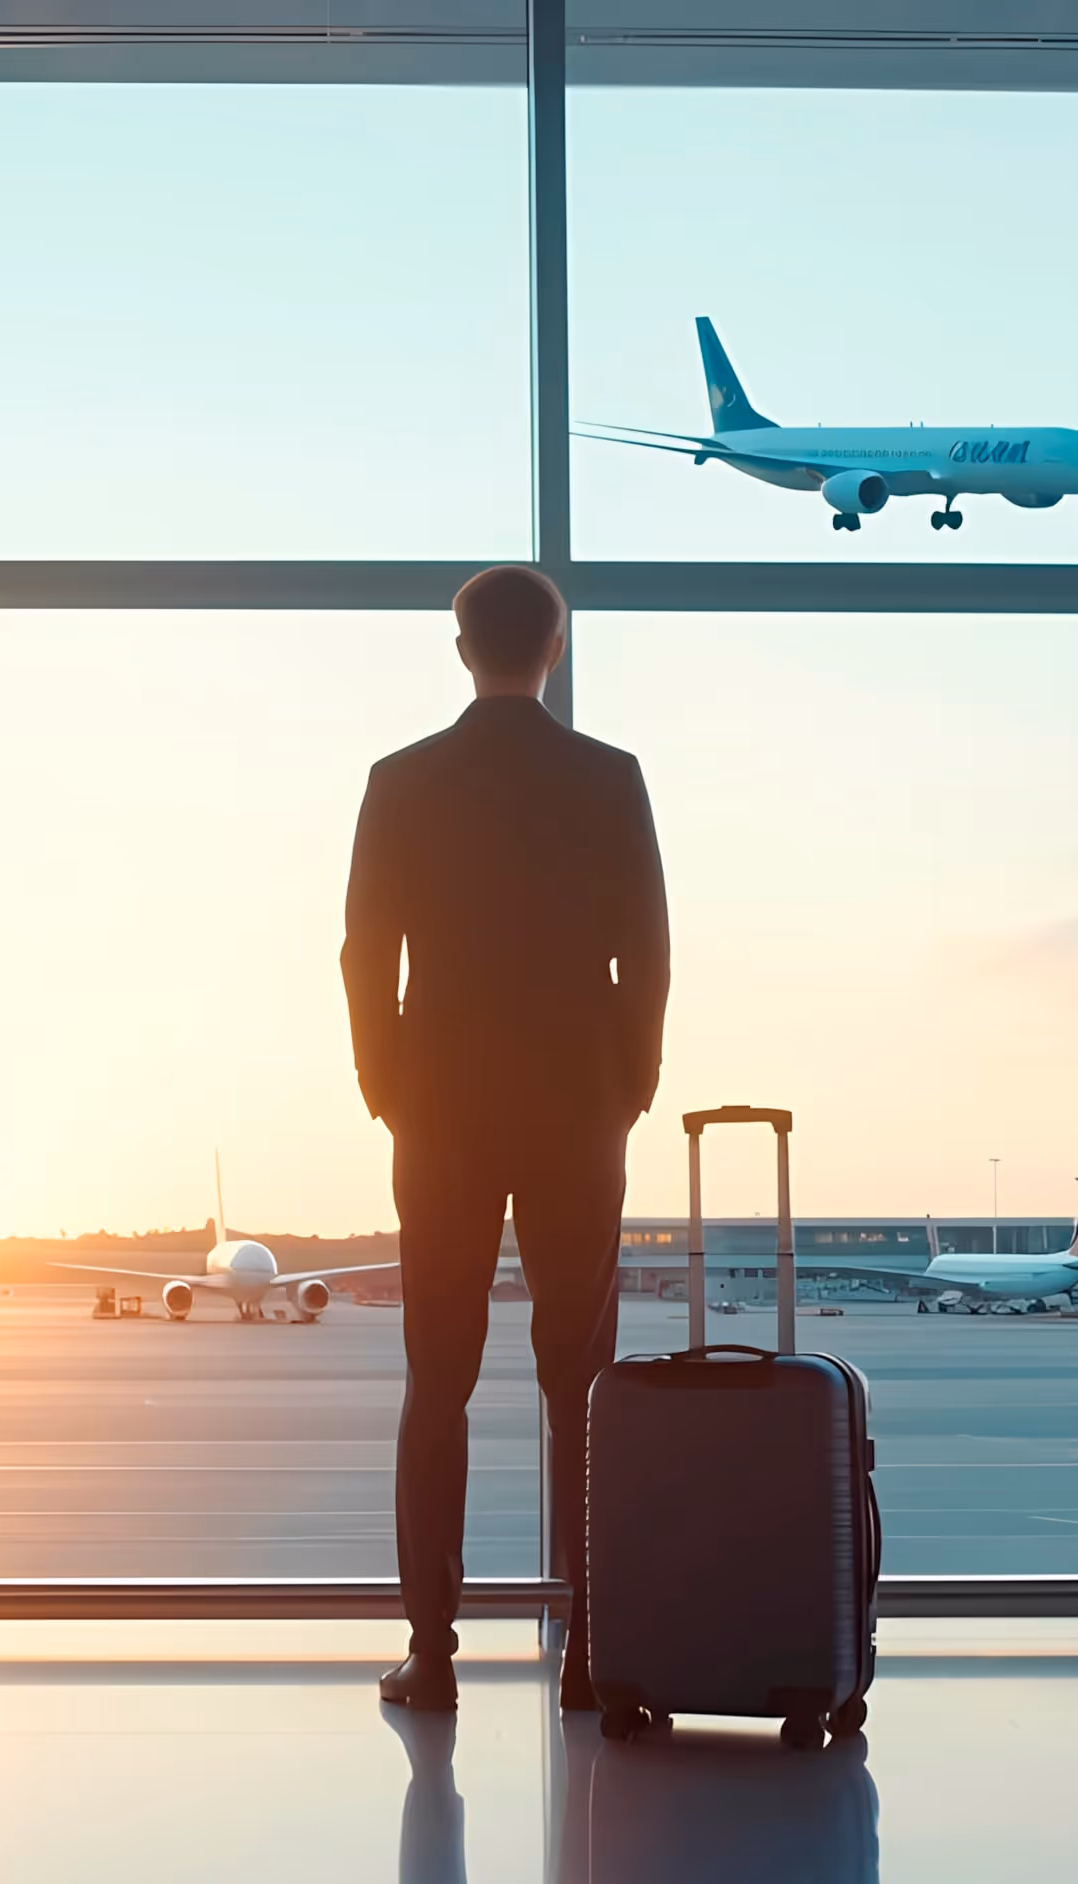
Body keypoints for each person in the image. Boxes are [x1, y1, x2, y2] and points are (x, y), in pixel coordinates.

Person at [342, 565, 669, 1713]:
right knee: (581, 1383)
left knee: (439, 1378)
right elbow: (648, 951)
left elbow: (364, 951)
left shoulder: (402, 781)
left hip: (442, 1107)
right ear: (556, 648)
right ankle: (591, 1649)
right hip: (576, 1105)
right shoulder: (609, 779)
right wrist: (628, 1085)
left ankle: (432, 1654)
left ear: (461, 648)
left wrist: (388, 1082)